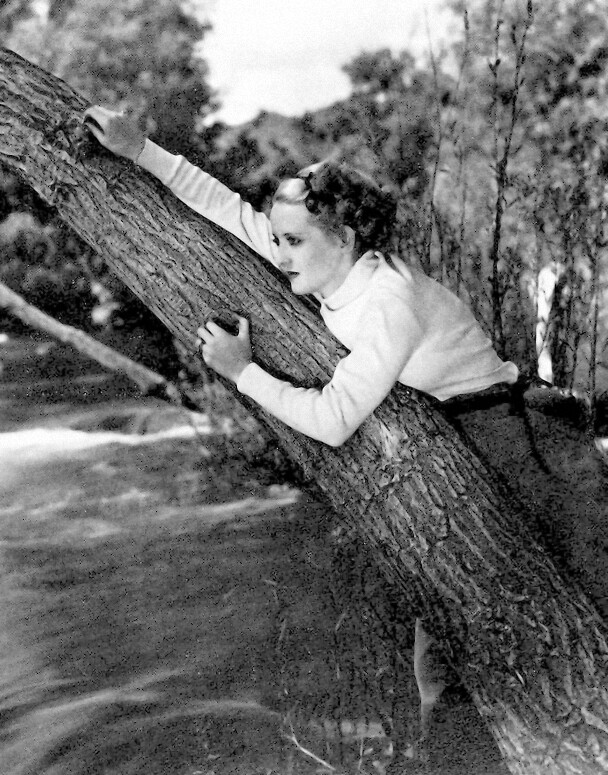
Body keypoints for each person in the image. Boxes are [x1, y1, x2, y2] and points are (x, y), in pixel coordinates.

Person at [83, 104, 519, 756]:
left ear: (344, 238)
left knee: (454, 650)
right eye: (279, 239)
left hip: (494, 438)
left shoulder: (388, 301)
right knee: (440, 651)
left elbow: (335, 420)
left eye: (292, 242)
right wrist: (139, 147)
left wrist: (243, 372)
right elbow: (228, 208)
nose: (278, 252)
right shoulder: (326, 260)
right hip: (444, 439)